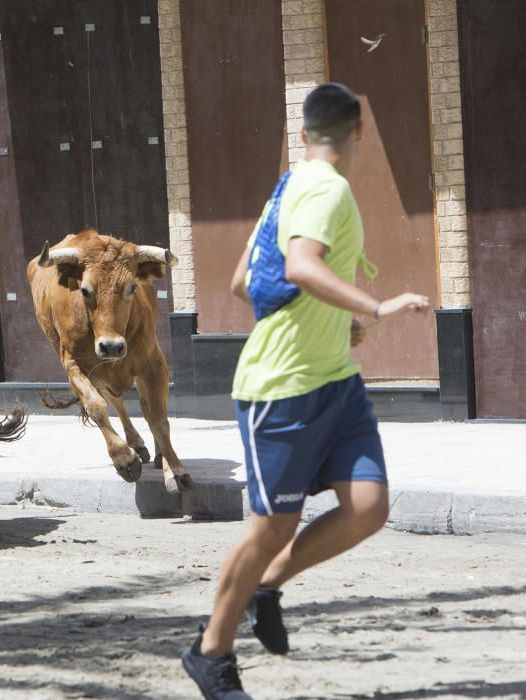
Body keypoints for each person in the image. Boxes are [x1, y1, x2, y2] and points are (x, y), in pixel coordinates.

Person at [181, 83, 431, 699]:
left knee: (367, 506)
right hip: (282, 386)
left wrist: (336, 325)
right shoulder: (326, 188)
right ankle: (210, 652)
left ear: (303, 132)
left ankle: (266, 585)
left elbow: (245, 282)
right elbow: (300, 267)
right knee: (274, 524)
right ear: (360, 132)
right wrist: (374, 306)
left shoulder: (288, 185)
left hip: (335, 380)